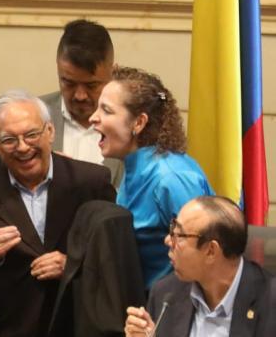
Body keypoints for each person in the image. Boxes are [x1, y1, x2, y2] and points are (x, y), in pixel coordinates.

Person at [0, 90, 116, 337]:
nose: (23, 147)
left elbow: (113, 261)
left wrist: (72, 267)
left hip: (78, 326)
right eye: (9, 140)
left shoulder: (91, 182)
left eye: (31, 135)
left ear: (50, 132)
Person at [89, 66, 214, 290]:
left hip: (174, 313)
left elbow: (204, 258)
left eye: (106, 110)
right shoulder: (136, 166)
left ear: (138, 123)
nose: (92, 118)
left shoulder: (170, 178)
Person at [124, 196, 275, 337]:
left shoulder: (269, 302)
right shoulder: (166, 294)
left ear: (211, 251)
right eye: (172, 228)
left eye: (179, 235)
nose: (168, 240)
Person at [39, 19, 123, 185]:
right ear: (58, 68)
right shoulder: (34, 117)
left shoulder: (133, 124)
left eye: (91, 85)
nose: (80, 95)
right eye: (68, 83)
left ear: (112, 72)